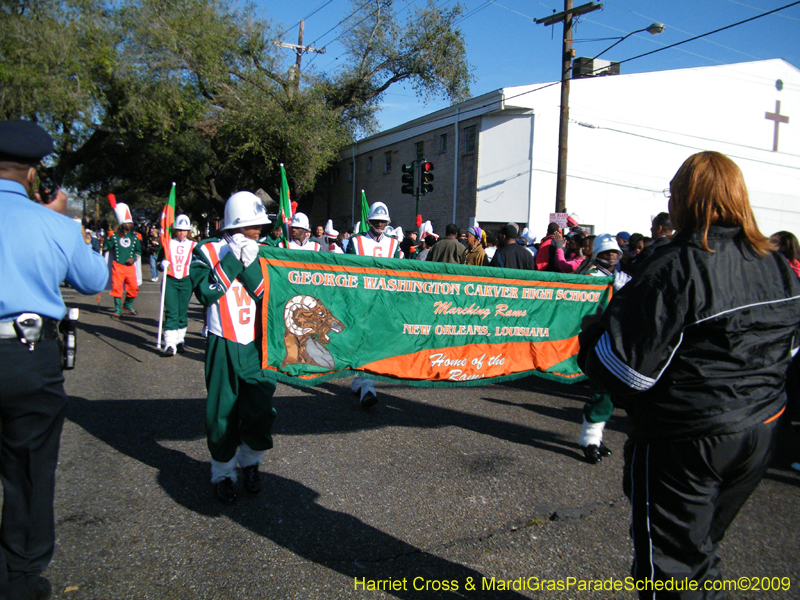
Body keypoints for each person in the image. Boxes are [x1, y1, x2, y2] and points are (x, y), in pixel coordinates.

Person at [578, 151, 800, 598]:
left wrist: (593, 333)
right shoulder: (775, 262)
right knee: (699, 553)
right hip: (761, 430)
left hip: (687, 438)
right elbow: (789, 348)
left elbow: (624, 371)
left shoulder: (676, 263)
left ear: (683, 198)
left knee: (671, 570)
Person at [0, 119, 108, 600]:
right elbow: (92, 279)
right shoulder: (53, 223)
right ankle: (20, 577)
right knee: (28, 468)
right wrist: (68, 224)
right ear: (32, 174)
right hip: (27, 354)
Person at [190, 191, 277, 504]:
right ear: (237, 225)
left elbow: (270, 295)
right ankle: (223, 472)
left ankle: (252, 463)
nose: (260, 230)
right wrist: (232, 258)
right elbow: (205, 293)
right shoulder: (206, 250)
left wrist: (251, 262)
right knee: (220, 412)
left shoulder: (267, 251)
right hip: (222, 340)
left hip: (258, 344)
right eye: (255, 225)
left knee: (260, 410)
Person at [574, 234, 631, 464]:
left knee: (608, 391)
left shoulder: (622, 277)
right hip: (596, 341)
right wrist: (616, 293)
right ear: (597, 255)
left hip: (616, 340)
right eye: (606, 253)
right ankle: (590, 440)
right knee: (601, 392)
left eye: (614, 252)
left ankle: (594, 437)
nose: (611, 257)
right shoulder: (590, 278)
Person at [346, 201, 402, 406]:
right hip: (362, 301)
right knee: (365, 341)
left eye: (383, 221)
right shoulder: (355, 241)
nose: (380, 224)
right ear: (369, 221)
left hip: (383, 301)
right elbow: (348, 272)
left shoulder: (394, 243)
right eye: (376, 221)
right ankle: (366, 386)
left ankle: (361, 383)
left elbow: (397, 274)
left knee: (375, 342)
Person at [158, 214, 197, 356]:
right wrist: (162, 264)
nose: (182, 232)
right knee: (171, 311)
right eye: (179, 229)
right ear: (175, 230)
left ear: (188, 231)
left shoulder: (194, 245)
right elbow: (158, 262)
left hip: (186, 281)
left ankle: (180, 340)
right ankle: (169, 344)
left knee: (182, 311)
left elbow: (198, 264)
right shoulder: (167, 243)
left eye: (184, 230)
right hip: (170, 280)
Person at [104, 203, 142, 317]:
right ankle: (117, 309)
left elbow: (138, 251)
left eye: (130, 223)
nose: (129, 225)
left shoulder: (135, 237)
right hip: (118, 265)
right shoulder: (115, 236)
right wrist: (105, 240)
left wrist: (133, 258)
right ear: (122, 223)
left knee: (133, 288)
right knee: (117, 287)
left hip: (130, 267)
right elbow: (106, 247)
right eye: (127, 223)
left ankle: (127, 304)